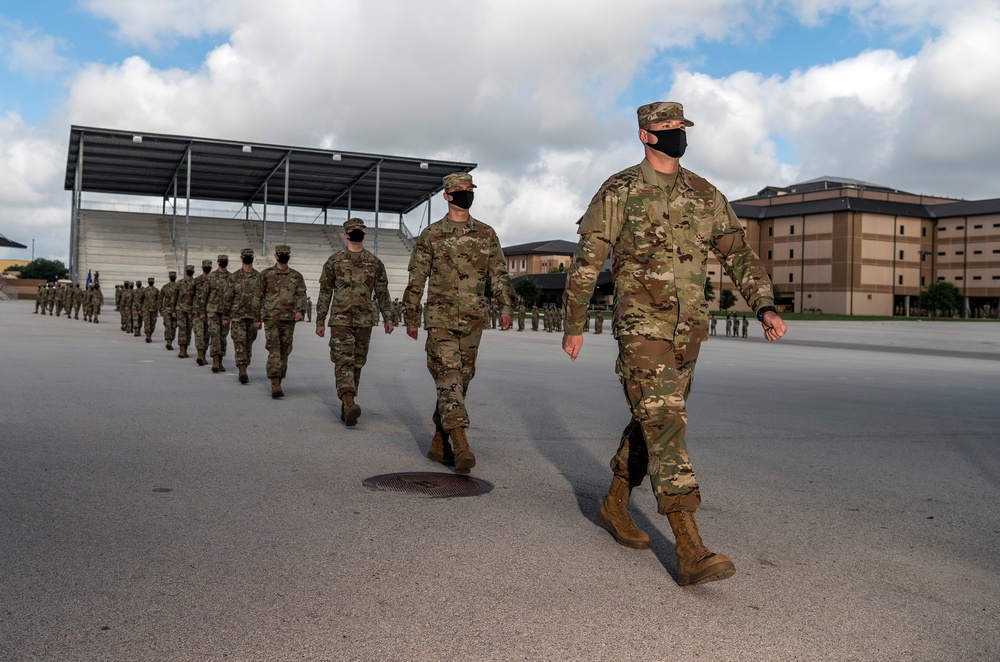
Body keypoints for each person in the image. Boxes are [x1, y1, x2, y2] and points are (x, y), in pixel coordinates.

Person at [562, 101, 787, 586]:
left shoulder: (705, 195)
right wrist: (574, 323)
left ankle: (614, 503)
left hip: (690, 331)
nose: (675, 134)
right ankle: (689, 546)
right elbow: (588, 260)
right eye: (665, 128)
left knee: (654, 419)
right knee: (665, 423)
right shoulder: (620, 190)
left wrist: (763, 305)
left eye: (680, 127)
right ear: (645, 135)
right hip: (642, 327)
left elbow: (740, 256)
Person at [401, 172, 512, 473]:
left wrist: (505, 306)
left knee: (462, 381)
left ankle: (440, 440)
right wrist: (411, 316)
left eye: (469, 189)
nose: (465, 193)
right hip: (440, 318)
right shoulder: (432, 235)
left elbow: (499, 274)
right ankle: (461, 444)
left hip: (474, 318)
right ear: (446, 196)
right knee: (448, 376)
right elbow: (417, 278)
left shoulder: (486, 234)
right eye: (459, 190)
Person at [315, 219, 393, 425]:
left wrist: (389, 318)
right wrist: (320, 320)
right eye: (353, 230)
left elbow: (382, 293)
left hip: (364, 320)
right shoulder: (334, 261)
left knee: (358, 362)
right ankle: (349, 400)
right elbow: (325, 292)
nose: (357, 232)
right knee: (343, 361)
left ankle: (347, 404)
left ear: (364, 235)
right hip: (340, 319)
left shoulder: (375, 263)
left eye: (360, 230)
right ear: (346, 234)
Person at [258, 245, 307, 398]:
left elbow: (301, 295)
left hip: (288, 318)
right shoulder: (265, 275)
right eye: (281, 254)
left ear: (289, 257)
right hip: (271, 318)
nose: (283, 256)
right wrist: (257, 317)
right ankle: (275, 383)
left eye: (286, 254)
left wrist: (300, 311)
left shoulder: (296, 276)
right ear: (276, 256)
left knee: (285, 350)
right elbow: (257, 296)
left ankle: (279, 378)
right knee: (274, 349)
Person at [230, 248, 263, 384]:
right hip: (238, 316)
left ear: (253, 258)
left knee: (249, 343)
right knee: (239, 342)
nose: (247, 258)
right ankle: (242, 369)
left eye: (250, 256)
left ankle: (246, 364)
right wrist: (226, 316)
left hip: (253, 317)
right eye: (245, 256)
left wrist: (260, 317)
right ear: (241, 258)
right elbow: (228, 297)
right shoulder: (234, 277)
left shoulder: (259, 277)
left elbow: (263, 297)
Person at [201, 255, 233, 373]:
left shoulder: (231, 277)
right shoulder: (211, 276)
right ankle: (215, 361)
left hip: (225, 312)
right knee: (214, 335)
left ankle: (220, 360)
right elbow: (205, 295)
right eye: (221, 261)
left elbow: (233, 296)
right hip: (212, 311)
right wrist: (202, 311)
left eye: (225, 261)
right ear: (218, 262)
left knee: (222, 337)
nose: (223, 262)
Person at [191, 260, 213, 365]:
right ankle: (200, 355)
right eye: (206, 266)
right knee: (199, 333)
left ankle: (204, 355)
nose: (207, 268)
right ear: (202, 267)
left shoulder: (213, 280)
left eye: (209, 266)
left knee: (206, 335)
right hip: (197, 311)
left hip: (210, 311)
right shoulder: (196, 281)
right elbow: (189, 296)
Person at [175, 265, 196, 358]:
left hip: (191, 310)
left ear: (193, 272)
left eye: (191, 271)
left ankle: (186, 349)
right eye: (188, 271)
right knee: (182, 329)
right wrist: (173, 310)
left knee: (188, 330)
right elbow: (174, 297)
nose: (189, 272)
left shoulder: (196, 283)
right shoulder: (179, 283)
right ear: (185, 271)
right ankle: (182, 350)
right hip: (180, 309)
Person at [159, 271, 180, 350]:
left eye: (174, 275)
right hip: (167, 309)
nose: (172, 277)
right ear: (169, 277)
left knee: (174, 326)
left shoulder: (178, 286)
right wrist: (160, 309)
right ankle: (168, 341)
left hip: (176, 310)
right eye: (171, 276)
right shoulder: (165, 287)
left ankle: (171, 339)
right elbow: (160, 298)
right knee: (168, 326)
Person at [141, 277, 160, 342]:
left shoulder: (156, 290)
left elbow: (159, 300)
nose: (151, 282)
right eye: (150, 281)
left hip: (154, 310)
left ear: (153, 282)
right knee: (147, 323)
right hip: (146, 309)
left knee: (152, 323)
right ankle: (147, 336)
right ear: (148, 282)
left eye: (152, 281)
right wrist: (140, 309)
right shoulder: (144, 290)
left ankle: (150, 334)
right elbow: (141, 300)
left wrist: (158, 308)